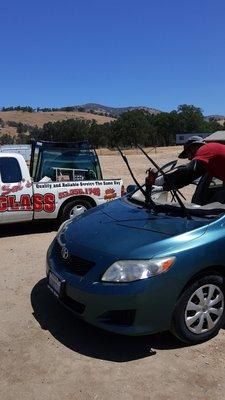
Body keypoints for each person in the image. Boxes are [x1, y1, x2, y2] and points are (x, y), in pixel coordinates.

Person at [153, 135, 225, 194]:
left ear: (194, 147)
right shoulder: (209, 159)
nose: (189, 159)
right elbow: (188, 178)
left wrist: (159, 180)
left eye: (188, 154)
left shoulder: (205, 149)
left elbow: (187, 171)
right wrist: (163, 188)